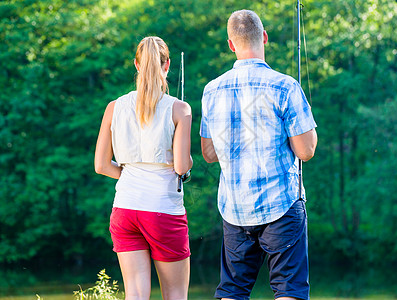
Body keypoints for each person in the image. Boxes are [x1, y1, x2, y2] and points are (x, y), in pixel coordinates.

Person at [200, 10, 318, 300]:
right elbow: (306, 150)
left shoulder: (211, 90)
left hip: (235, 208)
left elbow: (208, 153)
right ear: (264, 37)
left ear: (231, 44)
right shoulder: (286, 85)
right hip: (281, 204)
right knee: (289, 290)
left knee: (232, 290)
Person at [94, 36, 192, 300]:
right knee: (175, 295)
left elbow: (101, 165)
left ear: (137, 64)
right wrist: (188, 162)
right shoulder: (180, 109)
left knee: (135, 295)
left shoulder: (114, 107)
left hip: (125, 209)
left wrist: (129, 174)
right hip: (163, 211)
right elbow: (182, 166)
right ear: (167, 65)